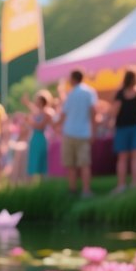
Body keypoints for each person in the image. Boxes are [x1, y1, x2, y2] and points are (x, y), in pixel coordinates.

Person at [55, 70, 97, 198]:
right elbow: (93, 113)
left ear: (73, 79)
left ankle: (72, 190)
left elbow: (63, 115)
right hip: (83, 133)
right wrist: (93, 131)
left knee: (71, 165)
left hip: (69, 133)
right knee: (84, 164)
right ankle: (86, 191)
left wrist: (55, 125)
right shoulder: (89, 92)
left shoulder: (70, 94)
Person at [110, 69, 136, 193]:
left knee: (122, 157)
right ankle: (135, 184)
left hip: (122, 127)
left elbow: (114, 111)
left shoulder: (120, 93)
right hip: (134, 126)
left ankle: (121, 185)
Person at [24, 90, 54, 180]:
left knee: (41, 160)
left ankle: (42, 181)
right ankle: (32, 182)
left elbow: (40, 126)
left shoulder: (47, 113)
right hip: (34, 138)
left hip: (41, 138)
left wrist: (30, 121)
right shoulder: (37, 112)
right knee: (33, 160)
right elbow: (32, 109)